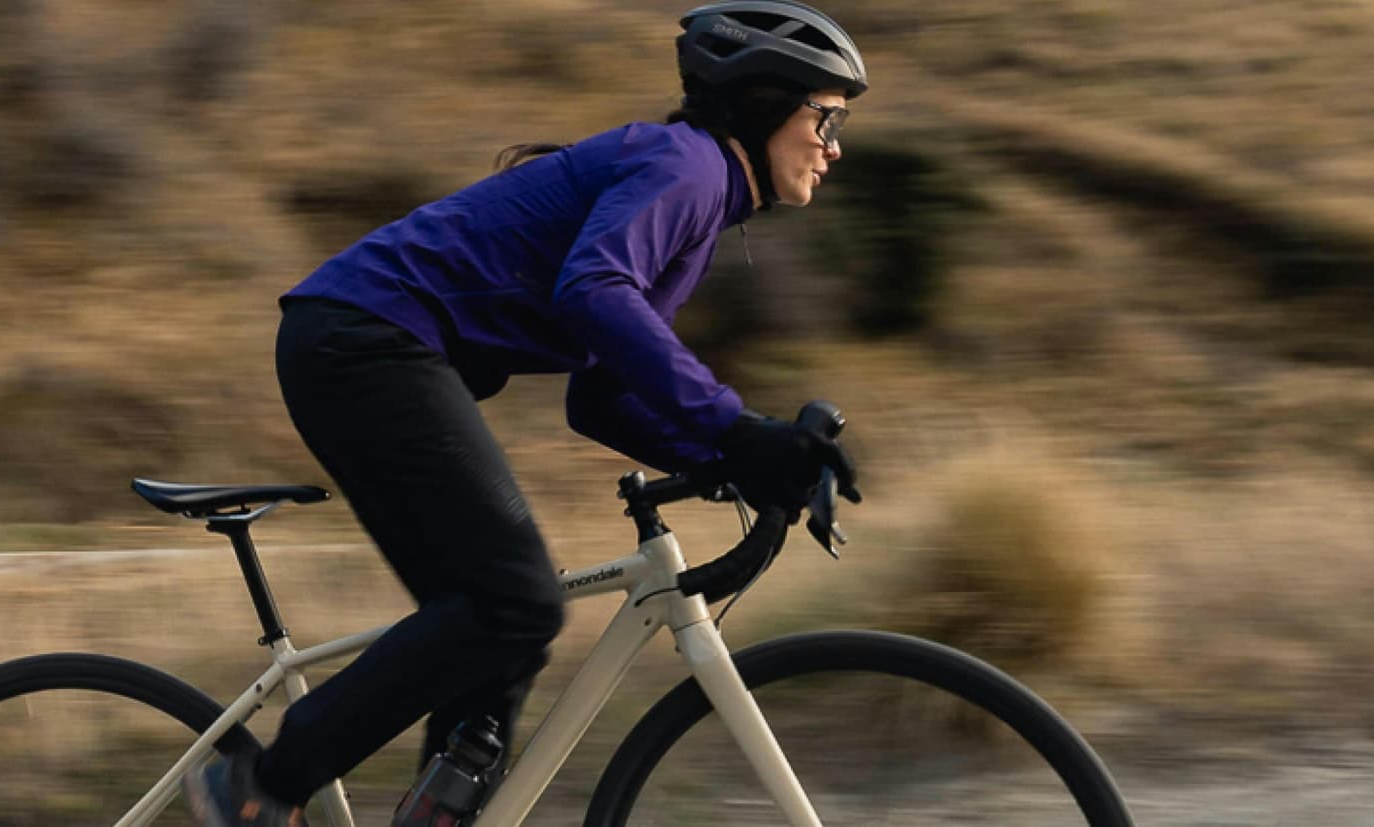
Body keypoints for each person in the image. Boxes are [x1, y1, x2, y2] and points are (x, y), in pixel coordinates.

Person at [189, 2, 870, 824]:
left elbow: (601, 392)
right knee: (513, 603)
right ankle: (258, 787)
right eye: (825, 118)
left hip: (365, 345)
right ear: (766, 102)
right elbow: (594, 293)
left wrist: (731, 458)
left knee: (499, 622)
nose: (834, 147)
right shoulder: (687, 167)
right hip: (366, 340)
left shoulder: (696, 202)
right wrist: (732, 429)